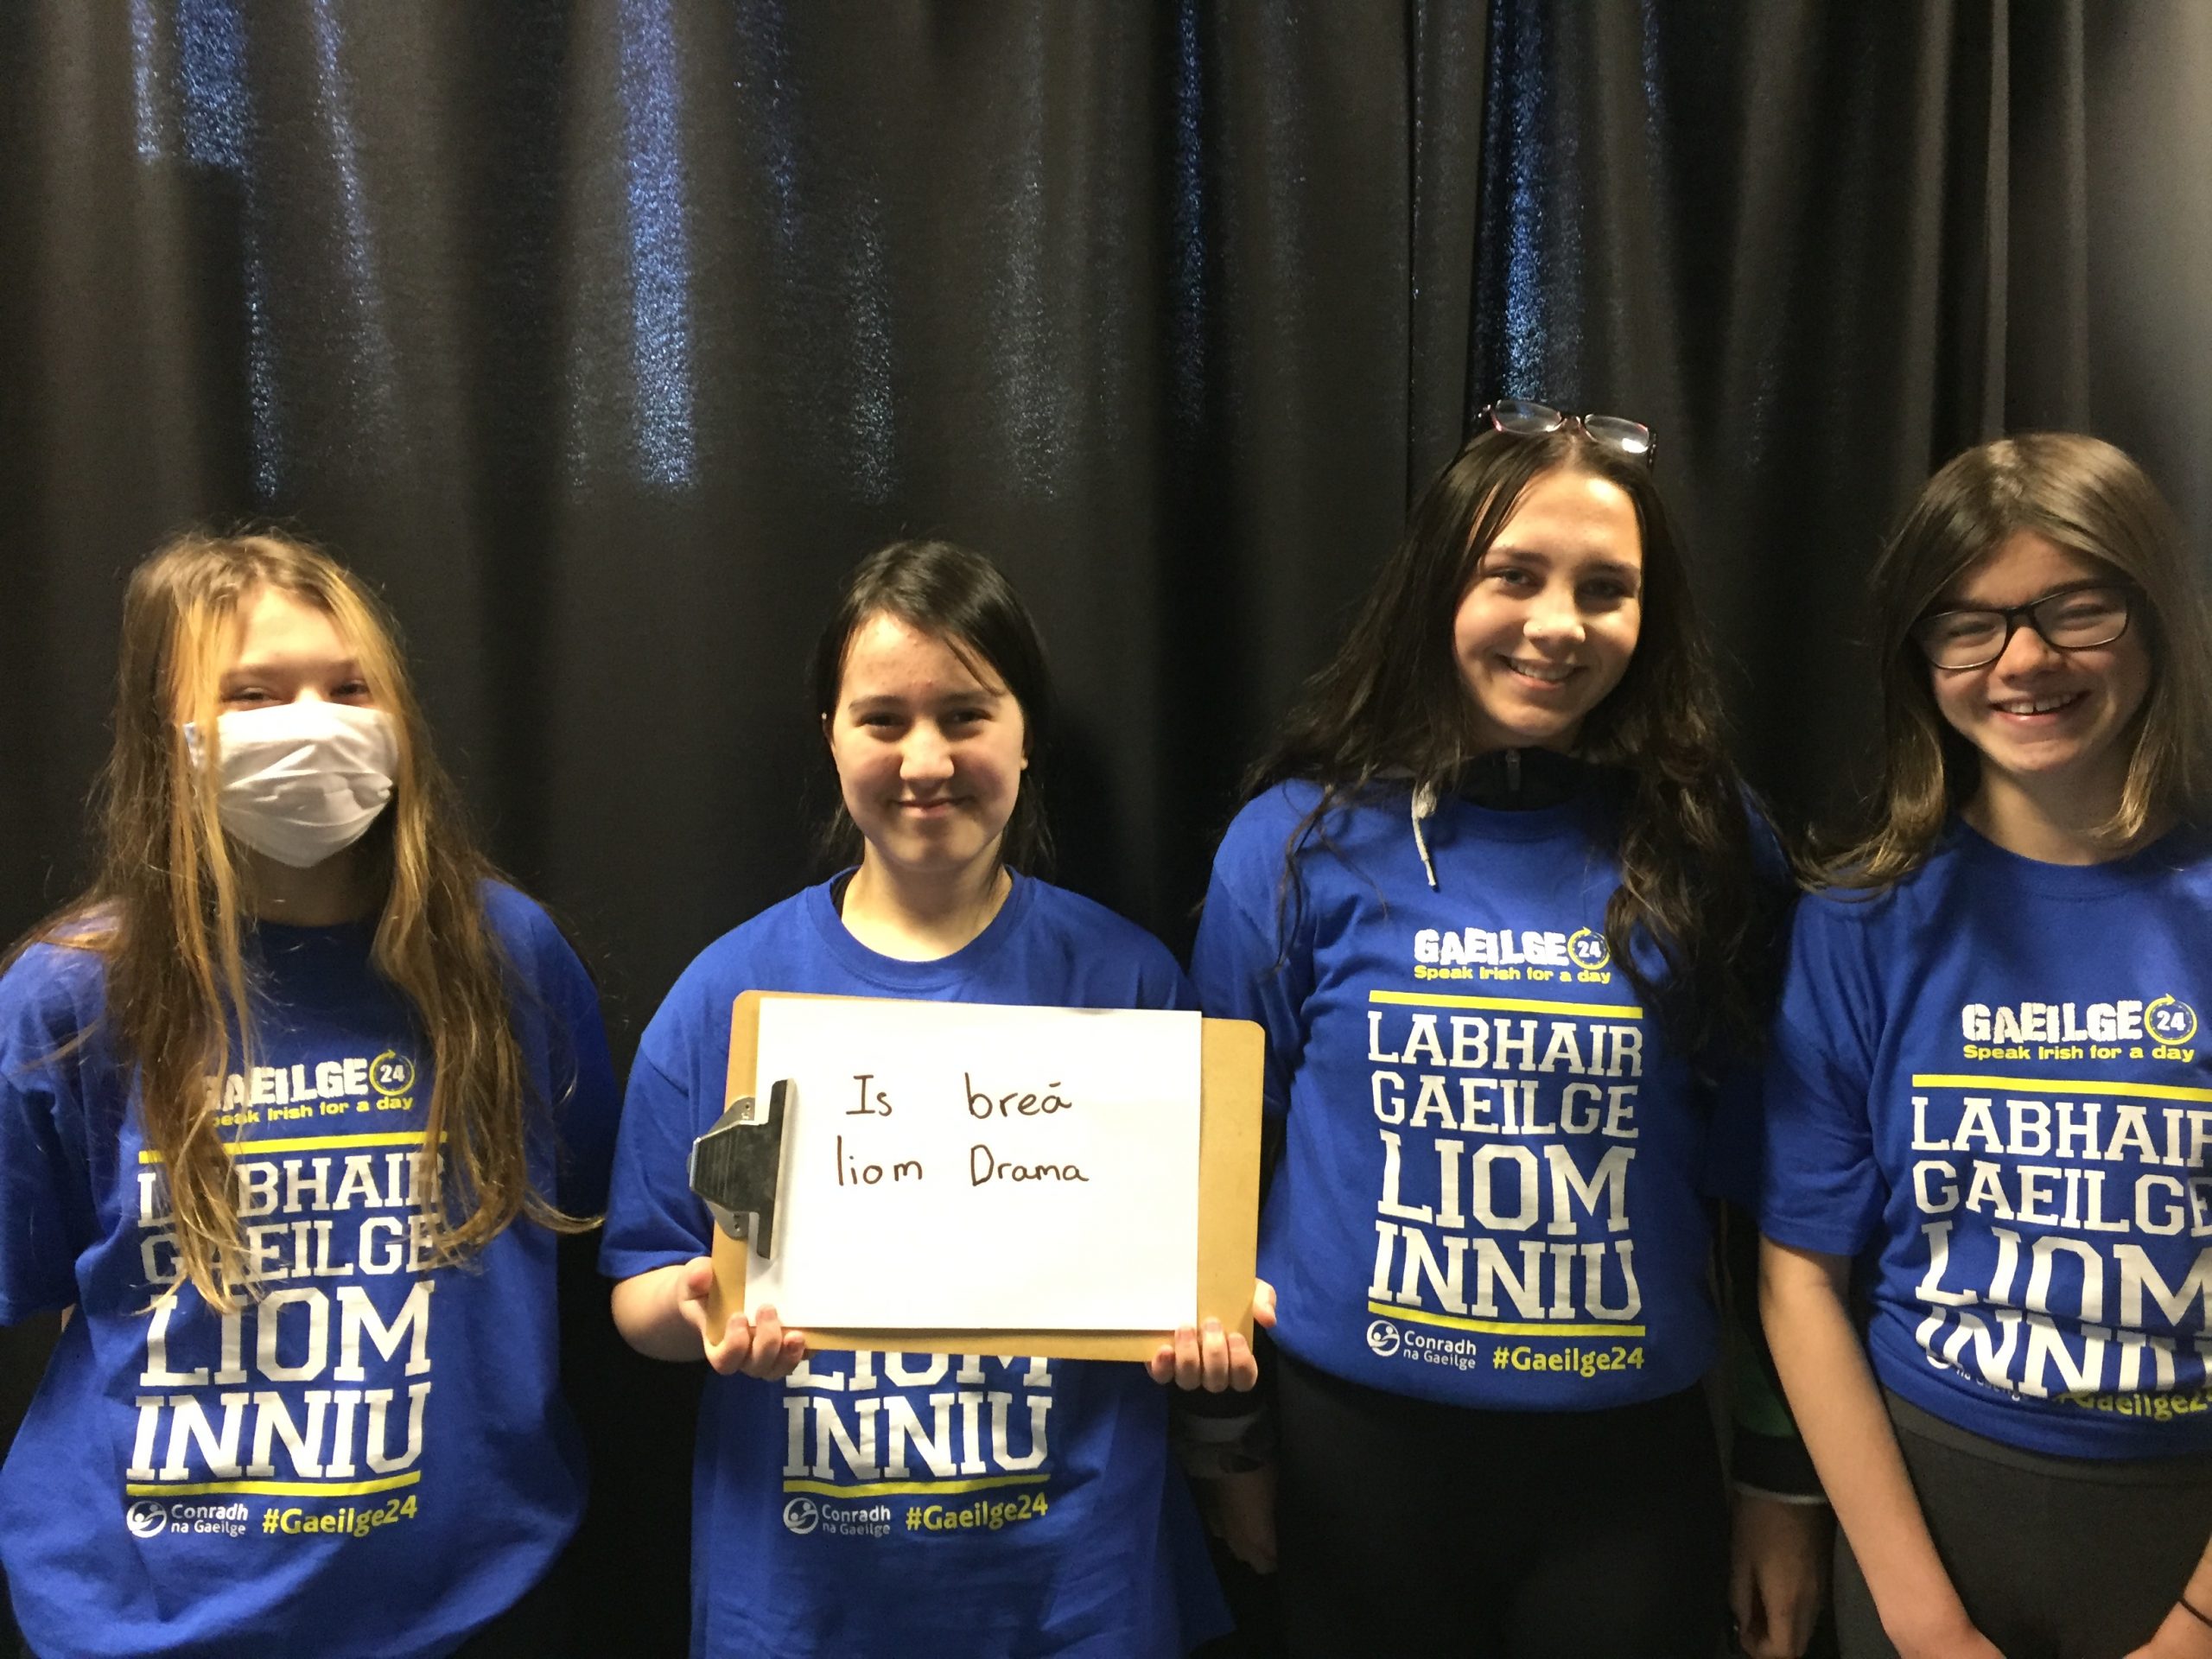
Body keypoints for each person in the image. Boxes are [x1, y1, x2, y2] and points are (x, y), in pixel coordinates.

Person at [1189, 402, 1823, 1657]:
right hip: (1352, 1460)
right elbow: (1217, 1160)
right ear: (1439, 589)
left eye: (1606, 590)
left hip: (1626, 1482)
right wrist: (1224, 1446)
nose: (1559, 624)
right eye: (1514, 575)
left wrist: (1781, 1482)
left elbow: (1774, 1196)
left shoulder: (1711, 843)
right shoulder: (1294, 841)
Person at [601, 539, 1248, 1657]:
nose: (926, 759)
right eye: (883, 720)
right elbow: (637, 1287)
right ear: (831, 736)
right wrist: (700, 1311)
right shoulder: (729, 998)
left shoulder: (1129, 981)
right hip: (805, 1602)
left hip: (1071, 1592)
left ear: (1026, 732)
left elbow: (1201, 1281)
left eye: (965, 715)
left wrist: (1210, 1346)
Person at [0, 531, 617, 1658]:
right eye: (254, 693)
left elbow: (579, 1212)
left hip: (468, 1611)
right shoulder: (69, 996)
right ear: (172, 731)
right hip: (142, 1618)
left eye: (350, 688)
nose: (314, 723)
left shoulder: (505, 956)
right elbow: (43, 1282)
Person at [1760, 434, 2212, 1659]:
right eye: (1968, 625)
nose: (2023, 659)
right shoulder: (1857, 919)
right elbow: (1800, 1279)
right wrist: (1924, 1621)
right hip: (1929, 1510)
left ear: (2156, 613)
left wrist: (2197, 1623)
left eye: (2076, 607)